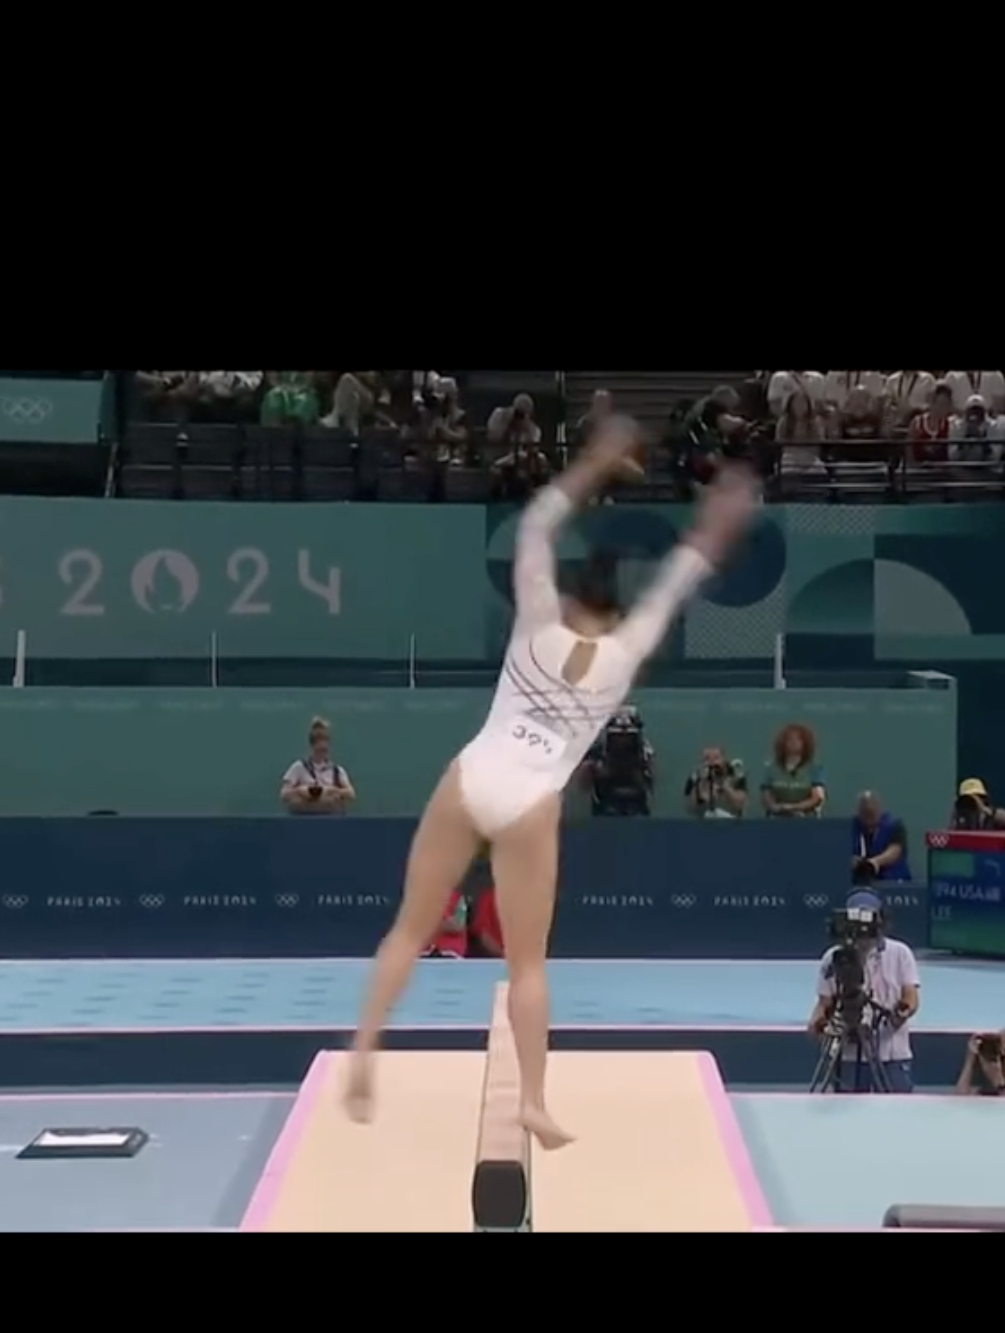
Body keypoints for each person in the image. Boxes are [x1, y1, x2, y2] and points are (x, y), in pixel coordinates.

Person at [344, 421, 760, 1146]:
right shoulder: (624, 655)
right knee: (528, 964)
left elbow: (535, 522)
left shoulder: (536, 622)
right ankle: (533, 1099)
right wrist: (715, 522)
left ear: (570, 601)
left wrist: (596, 461)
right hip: (533, 802)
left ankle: (364, 1049)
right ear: (611, 612)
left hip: (471, 776)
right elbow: (679, 576)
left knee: (408, 930)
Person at [807, 890, 921, 1093]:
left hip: (892, 1052)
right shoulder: (834, 958)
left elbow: (910, 994)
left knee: (897, 1111)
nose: (862, 933)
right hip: (848, 1054)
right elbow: (824, 1003)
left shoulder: (900, 953)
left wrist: (903, 1012)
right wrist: (818, 1024)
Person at [761, 724, 826, 817]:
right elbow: (766, 796)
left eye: (798, 739)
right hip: (777, 818)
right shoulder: (772, 768)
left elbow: (817, 797)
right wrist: (777, 808)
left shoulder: (814, 768)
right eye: (789, 739)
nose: (793, 742)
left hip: (806, 818)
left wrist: (795, 807)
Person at [851, 791, 911, 883]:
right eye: (865, 812)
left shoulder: (895, 825)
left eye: (872, 812)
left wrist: (874, 862)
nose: (869, 816)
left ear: (879, 809)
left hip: (892, 882)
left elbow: (895, 850)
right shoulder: (851, 827)